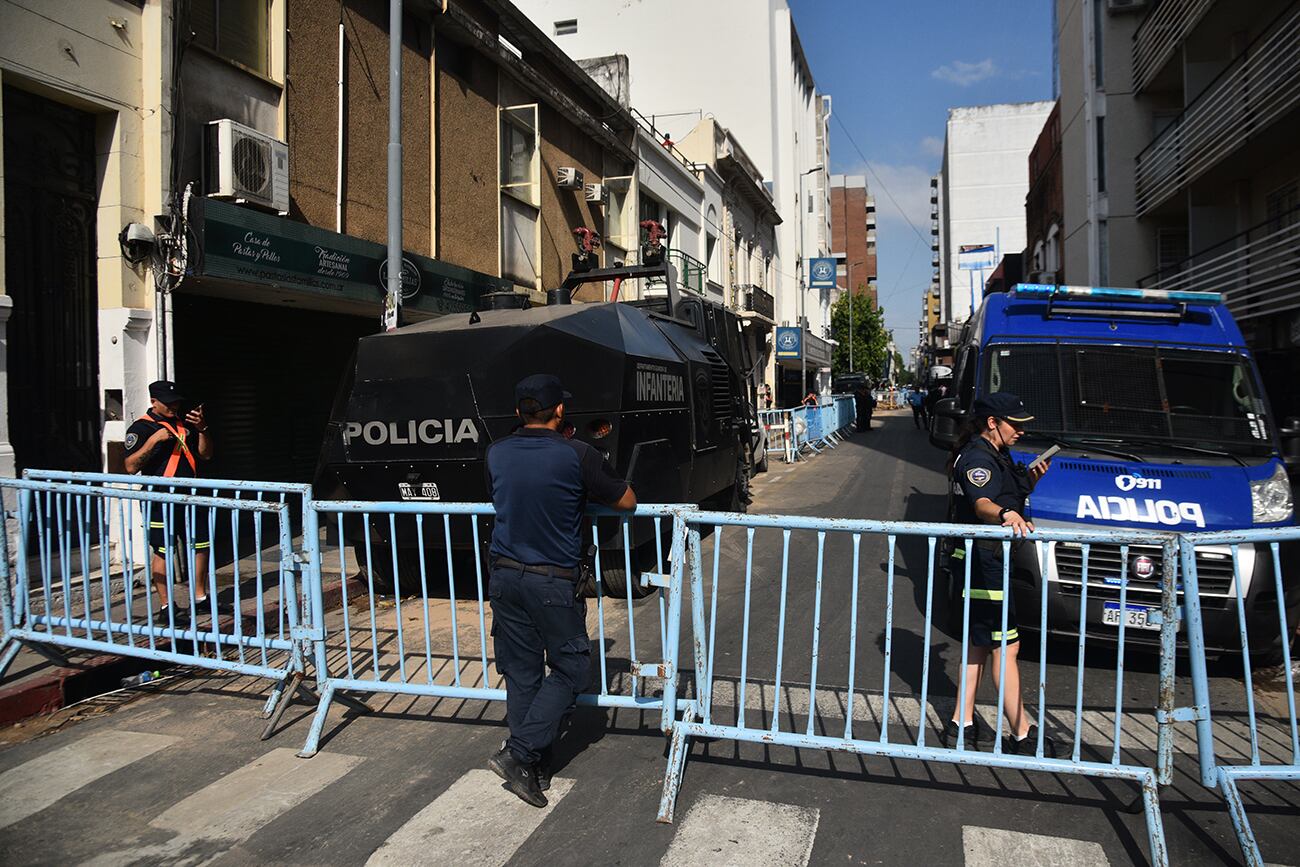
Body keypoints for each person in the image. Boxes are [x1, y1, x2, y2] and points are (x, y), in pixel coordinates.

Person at [486, 374, 636, 807]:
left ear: (518, 413)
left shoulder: (496, 453)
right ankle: (519, 755)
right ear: (560, 412)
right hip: (551, 580)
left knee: (522, 671)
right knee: (571, 668)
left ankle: (533, 763)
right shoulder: (578, 455)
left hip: (505, 577)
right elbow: (626, 500)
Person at [943, 392, 1053, 755]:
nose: (1020, 431)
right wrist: (1005, 516)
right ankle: (1021, 732)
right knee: (1006, 645)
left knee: (978, 642)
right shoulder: (978, 457)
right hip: (983, 562)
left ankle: (961, 722)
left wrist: (1031, 482)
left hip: (981, 560)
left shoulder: (995, 453)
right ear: (993, 423)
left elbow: (1004, 493)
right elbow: (983, 502)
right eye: (1015, 424)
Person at [124, 380, 214, 622]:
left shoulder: (185, 424)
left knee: (201, 545)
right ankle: (166, 607)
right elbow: (131, 467)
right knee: (163, 549)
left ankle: (200, 598)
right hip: (159, 499)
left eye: (177, 402)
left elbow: (206, 455)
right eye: (169, 403)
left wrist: (203, 429)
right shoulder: (141, 428)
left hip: (191, 496)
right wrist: (154, 441)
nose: (174, 406)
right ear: (154, 401)